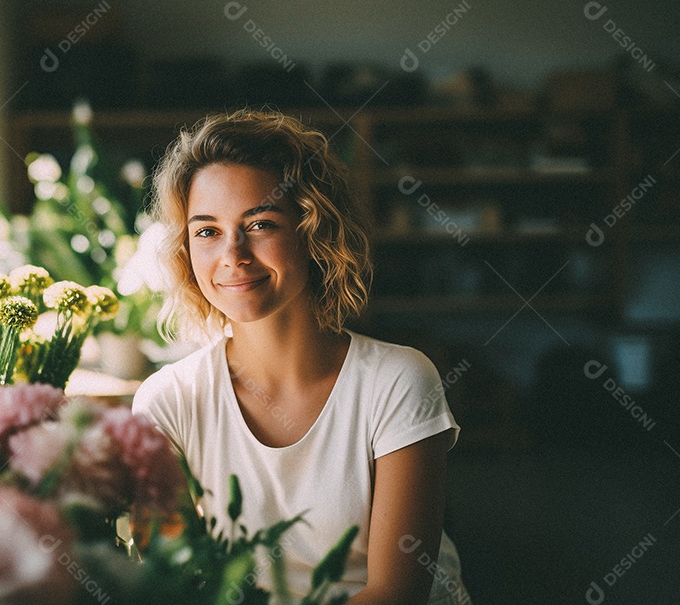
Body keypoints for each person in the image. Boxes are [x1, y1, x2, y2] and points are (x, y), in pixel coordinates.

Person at [132, 110, 471, 604]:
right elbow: (175, 587)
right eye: (207, 231)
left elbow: (396, 594)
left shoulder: (399, 381)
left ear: (314, 232)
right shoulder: (166, 402)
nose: (234, 254)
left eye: (261, 223)